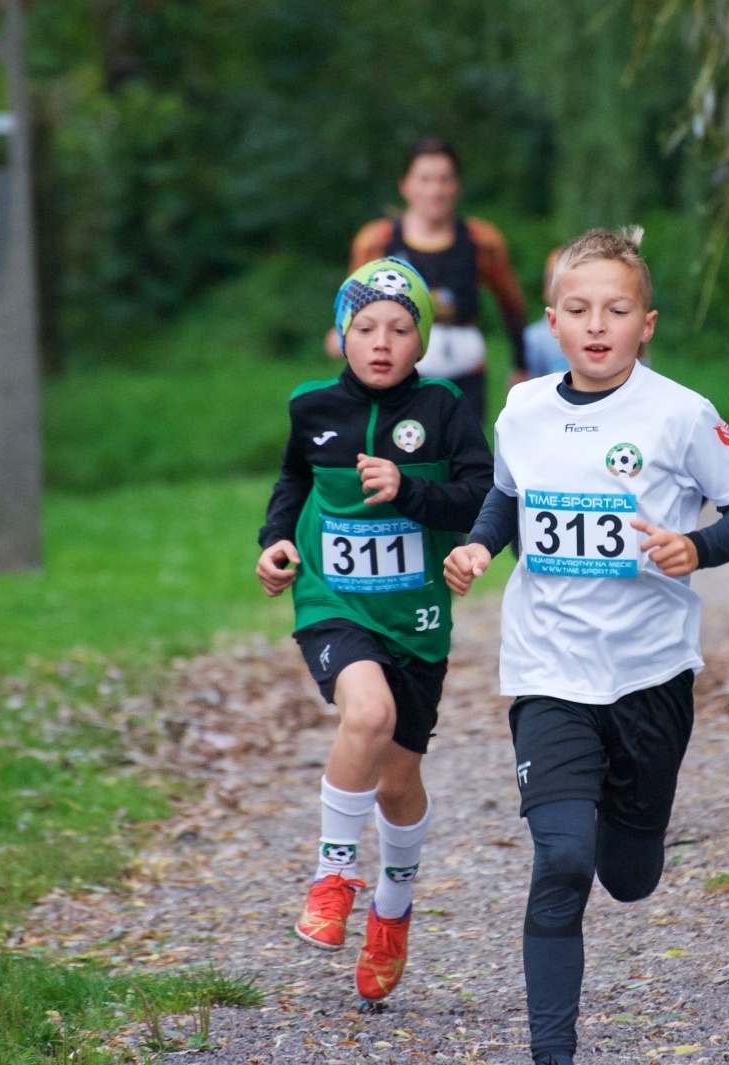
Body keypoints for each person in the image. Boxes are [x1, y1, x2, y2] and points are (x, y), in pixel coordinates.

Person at [443, 227, 729, 1065]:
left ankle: (640, 830)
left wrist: (695, 547)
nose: (598, 325)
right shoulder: (523, 408)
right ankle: (552, 1053)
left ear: (646, 322)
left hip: (649, 674)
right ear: (551, 322)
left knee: (627, 874)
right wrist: (483, 544)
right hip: (548, 669)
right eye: (580, 309)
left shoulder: (680, 412)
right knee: (562, 857)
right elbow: (507, 498)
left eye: (616, 310)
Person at [258, 257, 493, 1004]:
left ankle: (392, 909)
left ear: (421, 341)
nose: (382, 341)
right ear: (342, 336)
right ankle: (333, 876)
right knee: (368, 712)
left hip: (415, 619)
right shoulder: (311, 408)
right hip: (335, 602)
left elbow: (482, 493)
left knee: (398, 781)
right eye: (365, 328)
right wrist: (274, 541)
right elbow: (294, 480)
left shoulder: (448, 408)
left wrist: (409, 488)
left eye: (400, 327)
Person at [331, 138, 531, 426]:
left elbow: (511, 305)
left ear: (457, 185)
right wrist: (341, 336)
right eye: (424, 180)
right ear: (405, 185)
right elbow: (350, 305)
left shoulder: (482, 240)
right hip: (396, 368)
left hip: (466, 369)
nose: (435, 190)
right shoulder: (377, 241)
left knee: (463, 459)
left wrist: (520, 367)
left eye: (444, 180)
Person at [522, 248, 570, 379]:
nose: (562, 290)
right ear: (546, 289)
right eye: (555, 283)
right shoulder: (534, 337)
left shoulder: (595, 328)